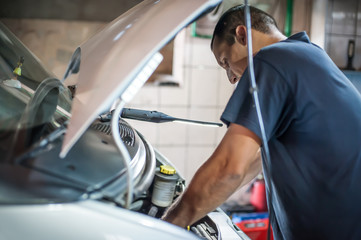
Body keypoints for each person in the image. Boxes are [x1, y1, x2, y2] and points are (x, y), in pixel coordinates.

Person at [162, 4, 361, 240]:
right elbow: (250, 163)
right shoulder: (308, 54)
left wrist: (164, 227)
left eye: (226, 62)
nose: (232, 78)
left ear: (243, 35)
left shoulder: (270, 60)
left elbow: (229, 168)